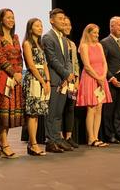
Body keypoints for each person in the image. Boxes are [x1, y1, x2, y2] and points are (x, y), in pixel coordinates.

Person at [0, 8, 25, 158]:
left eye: (13, 17)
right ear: (1, 19)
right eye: (8, 17)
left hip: (15, 79)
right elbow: (0, 57)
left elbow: (20, 57)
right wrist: (13, 73)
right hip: (3, 77)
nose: (11, 20)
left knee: (9, 113)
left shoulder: (15, 37)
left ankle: (1, 144)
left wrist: (20, 73)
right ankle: (4, 144)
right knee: (3, 112)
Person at [43, 8, 75, 153]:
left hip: (64, 80)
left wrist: (68, 74)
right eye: (60, 18)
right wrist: (65, 74)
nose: (63, 21)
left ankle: (57, 139)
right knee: (51, 112)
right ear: (52, 20)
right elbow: (52, 60)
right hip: (55, 79)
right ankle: (50, 140)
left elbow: (67, 60)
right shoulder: (47, 37)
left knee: (58, 112)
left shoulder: (63, 39)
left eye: (64, 18)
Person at [76, 24, 113, 147]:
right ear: (88, 33)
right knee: (91, 108)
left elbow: (104, 63)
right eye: (94, 33)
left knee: (99, 108)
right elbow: (86, 66)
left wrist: (103, 77)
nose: (97, 35)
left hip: (101, 79)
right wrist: (98, 78)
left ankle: (96, 137)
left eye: (98, 33)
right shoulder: (84, 46)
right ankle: (91, 138)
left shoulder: (99, 46)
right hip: (90, 78)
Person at [100, 16, 120, 143]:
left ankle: (118, 133)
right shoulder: (104, 42)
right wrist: (111, 77)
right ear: (111, 26)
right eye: (119, 25)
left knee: (119, 108)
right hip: (111, 80)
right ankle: (109, 134)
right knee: (110, 109)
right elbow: (103, 63)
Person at [21, 18, 50, 156]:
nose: (40, 28)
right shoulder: (27, 44)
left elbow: (45, 64)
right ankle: (32, 144)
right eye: (37, 26)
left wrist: (48, 81)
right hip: (33, 79)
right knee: (32, 113)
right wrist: (42, 81)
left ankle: (33, 144)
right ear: (30, 28)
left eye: (41, 25)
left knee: (37, 114)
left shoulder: (40, 45)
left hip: (43, 79)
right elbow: (31, 65)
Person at [61, 16, 79, 148]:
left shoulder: (72, 44)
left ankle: (68, 136)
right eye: (65, 24)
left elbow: (76, 63)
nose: (67, 27)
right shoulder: (58, 41)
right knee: (60, 109)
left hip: (73, 82)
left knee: (70, 108)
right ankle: (60, 136)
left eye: (69, 24)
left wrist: (77, 79)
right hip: (62, 80)